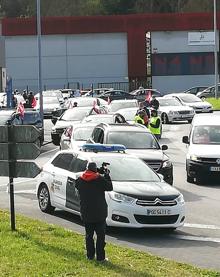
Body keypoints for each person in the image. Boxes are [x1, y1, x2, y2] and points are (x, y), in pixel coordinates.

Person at [75, 162, 113, 261]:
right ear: (95, 169)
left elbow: (82, 180)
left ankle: (90, 256)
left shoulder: (79, 180)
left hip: (86, 213)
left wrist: (97, 172)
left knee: (89, 236)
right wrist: (107, 175)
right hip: (99, 213)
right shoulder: (99, 179)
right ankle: (100, 258)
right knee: (100, 237)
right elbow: (109, 187)